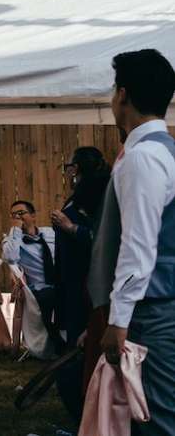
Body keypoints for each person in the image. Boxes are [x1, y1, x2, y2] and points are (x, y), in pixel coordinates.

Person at [89, 49, 175, 435]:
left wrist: (118, 320)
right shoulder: (166, 151)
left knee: (154, 417)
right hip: (159, 305)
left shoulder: (144, 157)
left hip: (153, 311)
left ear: (122, 94)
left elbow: (138, 246)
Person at [51, 147, 111, 348]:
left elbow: (105, 238)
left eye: (68, 166)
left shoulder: (95, 197)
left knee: (82, 336)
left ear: (75, 169)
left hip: (84, 279)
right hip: (72, 276)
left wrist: (71, 227)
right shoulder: (80, 196)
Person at [1, 201, 61, 346]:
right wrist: (15, 230)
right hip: (40, 288)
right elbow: (10, 258)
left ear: (33, 216)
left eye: (21, 213)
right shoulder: (12, 241)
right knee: (49, 297)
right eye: (13, 215)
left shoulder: (50, 233)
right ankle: (59, 346)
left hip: (62, 281)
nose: (17, 217)